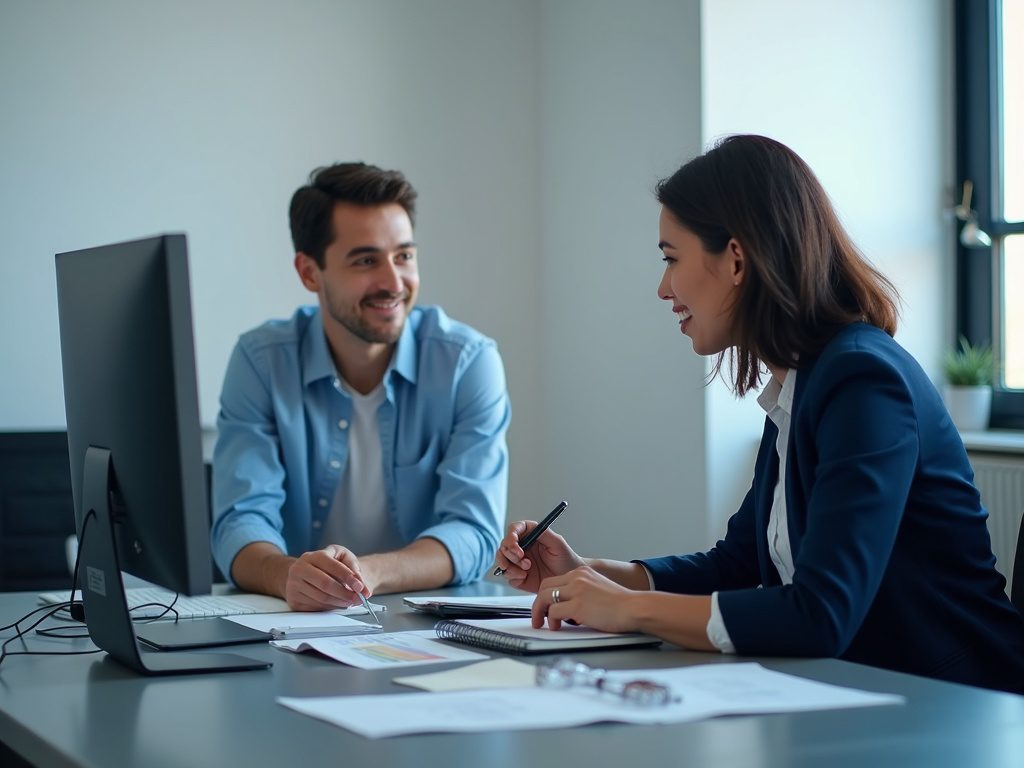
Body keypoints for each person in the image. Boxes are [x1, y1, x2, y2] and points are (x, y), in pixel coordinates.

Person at [495, 135, 1024, 693]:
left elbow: (821, 614)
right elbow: (741, 566)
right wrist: (593, 575)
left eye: (671, 259)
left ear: (737, 259)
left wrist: (629, 609)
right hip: (859, 697)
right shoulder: (802, 384)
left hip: (957, 707)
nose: (662, 288)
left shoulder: (863, 382)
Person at [213, 162, 510, 611]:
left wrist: (364, 575)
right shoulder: (261, 362)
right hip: (291, 623)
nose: (394, 283)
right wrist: (289, 576)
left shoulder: (467, 363)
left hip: (424, 626)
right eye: (366, 260)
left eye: (404, 256)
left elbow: (472, 531)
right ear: (310, 272)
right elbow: (239, 521)